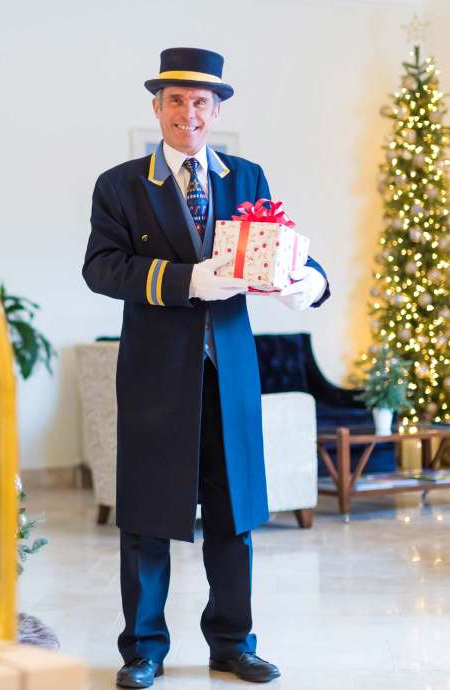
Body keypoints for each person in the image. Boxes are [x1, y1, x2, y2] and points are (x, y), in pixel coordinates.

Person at [82, 47, 330, 688]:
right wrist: (187, 281)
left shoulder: (248, 177)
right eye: (176, 100)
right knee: (146, 518)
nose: (187, 113)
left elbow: (277, 246)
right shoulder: (119, 185)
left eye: (200, 102)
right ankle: (143, 650)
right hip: (155, 374)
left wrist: (312, 279)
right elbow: (101, 269)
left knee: (234, 513)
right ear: (157, 106)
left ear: (215, 111)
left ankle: (232, 644)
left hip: (230, 372)